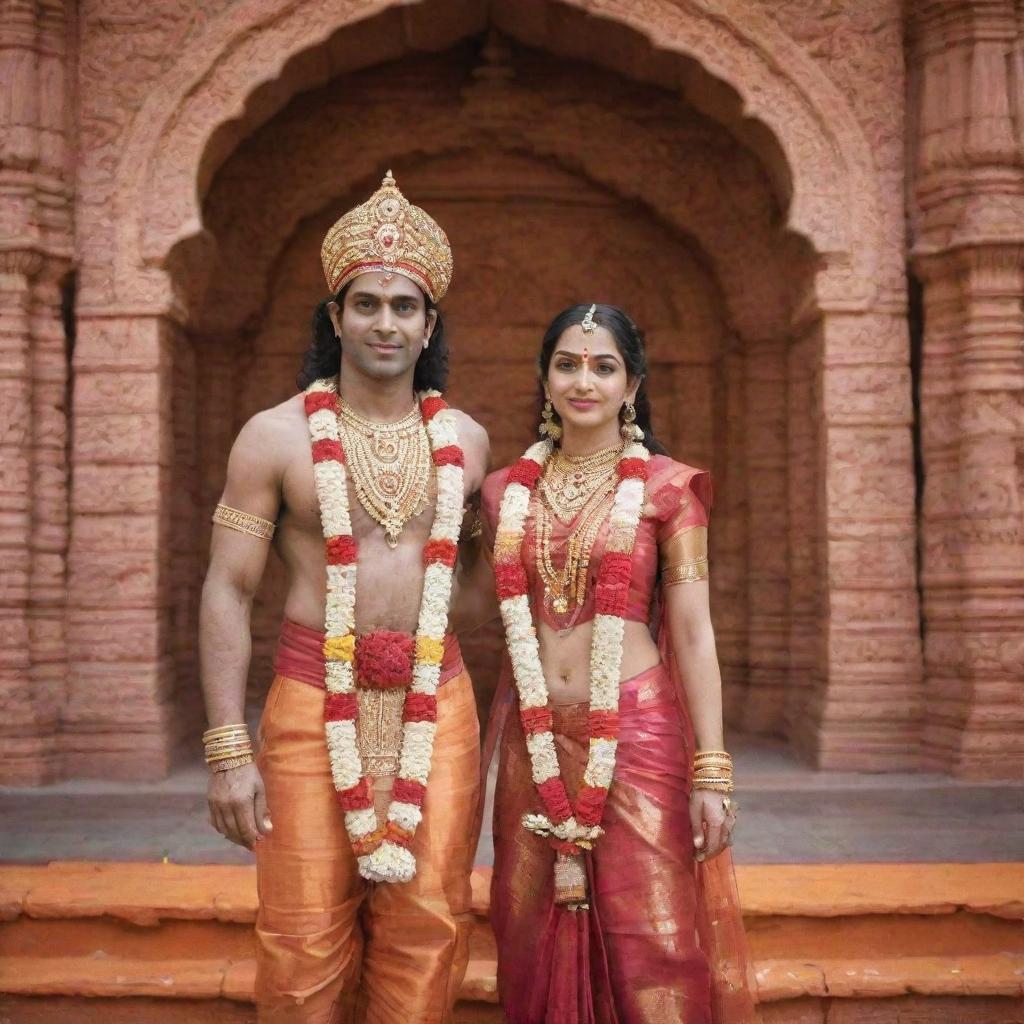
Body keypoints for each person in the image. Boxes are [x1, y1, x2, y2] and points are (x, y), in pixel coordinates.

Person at [198, 171, 489, 1023]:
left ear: (430, 322)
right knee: (301, 934)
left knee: (431, 923)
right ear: (335, 316)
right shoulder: (276, 435)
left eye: (405, 306)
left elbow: (470, 593)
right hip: (308, 699)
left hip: (441, 699)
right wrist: (225, 748)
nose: (385, 322)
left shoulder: (464, 441)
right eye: (366, 304)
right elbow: (226, 588)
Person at [479, 303, 757, 1023]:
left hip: (635, 731)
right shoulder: (504, 491)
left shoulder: (670, 491)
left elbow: (694, 634)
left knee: (652, 936)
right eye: (567, 363)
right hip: (532, 739)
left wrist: (713, 770)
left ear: (632, 386)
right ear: (544, 378)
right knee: (527, 922)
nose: (584, 381)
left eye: (604, 367)